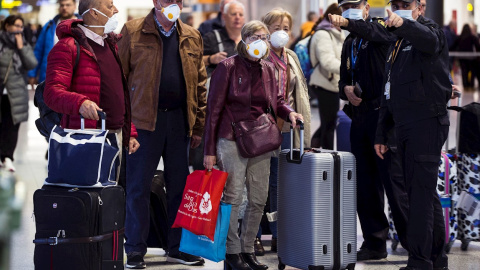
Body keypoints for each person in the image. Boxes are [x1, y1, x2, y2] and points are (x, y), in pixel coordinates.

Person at [203, 20, 304, 270]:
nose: (262, 41)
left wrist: (289, 111)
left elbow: (277, 99)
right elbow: (213, 111)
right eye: (256, 36)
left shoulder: (270, 69)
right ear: (245, 39)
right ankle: (232, 251)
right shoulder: (227, 67)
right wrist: (208, 151)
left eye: (265, 37)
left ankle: (248, 249)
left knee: (258, 199)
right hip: (231, 138)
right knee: (234, 197)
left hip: (260, 139)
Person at [117, 0, 208, 268]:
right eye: (169, 0)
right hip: (144, 123)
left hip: (179, 121)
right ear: (156, 2)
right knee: (138, 187)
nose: (175, 5)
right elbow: (120, 82)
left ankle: (177, 247)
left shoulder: (192, 35)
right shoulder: (133, 31)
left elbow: (200, 84)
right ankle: (134, 249)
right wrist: (126, 127)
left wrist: (198, 124)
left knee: (180, 188)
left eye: (179, 1)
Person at [372, 0, 452, 269]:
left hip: (427, 123)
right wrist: (382, 132)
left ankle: (419, 261)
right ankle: (436, 257)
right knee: (422, 193)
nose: (400, 8)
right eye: (396, 4)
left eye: (406, 4)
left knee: (418, 194)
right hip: (404, 125)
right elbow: (388, 88)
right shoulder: (395, 42)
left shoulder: (430, 31)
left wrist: (406, 24)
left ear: (421, 6)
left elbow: (428, 41)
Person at [331, 0, 409, 261]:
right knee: (364, 184)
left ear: (366, 8)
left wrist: (351, 23)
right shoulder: (349, 42)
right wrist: (346, 90)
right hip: (359, 117)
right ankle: (375, 242)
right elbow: (343, 75)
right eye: (345, 7)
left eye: (355, 5)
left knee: (392, 182)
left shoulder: (377, 30)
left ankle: (414, 243)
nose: (349, 10)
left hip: (382, 116)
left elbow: (380, 35)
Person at [43, 0, 139, 181]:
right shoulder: (68, 46)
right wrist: (80, 103)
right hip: (86, 138)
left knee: (110, 200)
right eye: (110, 6)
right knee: (88, 200)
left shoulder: (110, 45)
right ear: (94, 13)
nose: (116, 10)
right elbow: (52, 92)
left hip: (114, 136)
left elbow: (119, 94)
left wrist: (129, 132)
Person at [253, 7, 312, 255]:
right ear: (266, 31)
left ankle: (278, 234)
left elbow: (300, 93)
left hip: (287, 127)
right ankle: (253, 236)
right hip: (260, 130)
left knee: (280, 184)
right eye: (276, 28)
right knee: (256, 183)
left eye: (285, 28)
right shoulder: (258, 56)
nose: (281, 33)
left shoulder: (291, 57)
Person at [0, 15, 37, 172]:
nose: (19, 29)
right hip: (2, 90)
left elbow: (31, 64)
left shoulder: (24, 44)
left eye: (21, 26)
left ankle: (8, 156)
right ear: (7, 26)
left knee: (12, 126)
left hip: (16, 93)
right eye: (16, 25)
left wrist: (21, 48)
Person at [309, 3, 345, 149]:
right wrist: (349, 70)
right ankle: (327, 158)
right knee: (328, 126)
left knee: (328, 123)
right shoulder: (323, 34)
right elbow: (327, 61)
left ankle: (315, 151)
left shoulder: (337, 33)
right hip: (324, 84)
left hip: (332, 84)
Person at [28, 0, 79, 89]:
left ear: (74, 6)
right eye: (62, 5)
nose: (64, 8)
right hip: (50, 74)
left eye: (68, 5)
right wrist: (32, 74)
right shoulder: (49, 26)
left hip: (76, 75)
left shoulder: (82, 25)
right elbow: (38, 51)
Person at [203, 0, 244, 77]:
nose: (237, 17)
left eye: (241, 14)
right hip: (220, 85)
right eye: (233, 14)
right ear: (224, 16)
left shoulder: (250, 39)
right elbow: (195, 60)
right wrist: (211, 59)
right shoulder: (211, 38)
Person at [450, 24, 480, 89]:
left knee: (464, 72)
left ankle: (465, 86)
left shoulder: (460, 38)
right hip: (471, 58)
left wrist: (447, 50)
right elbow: (477, 46)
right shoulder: (472, 37)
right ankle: (471, 86)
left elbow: (453, 46)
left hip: (462, 58)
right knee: (472, 72)